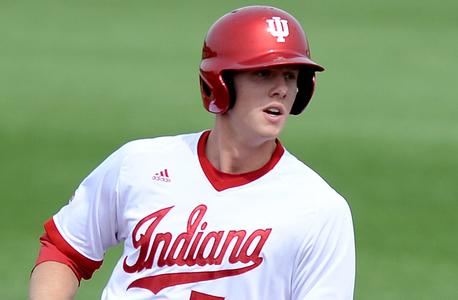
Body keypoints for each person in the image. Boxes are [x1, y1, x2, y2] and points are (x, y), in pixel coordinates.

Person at [29, 5, 355, 300]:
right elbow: (65, 250)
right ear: (221, 81)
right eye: (263, 73)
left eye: (290, 76)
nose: (281, 89)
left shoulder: (319, 209)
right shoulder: (140, 164)